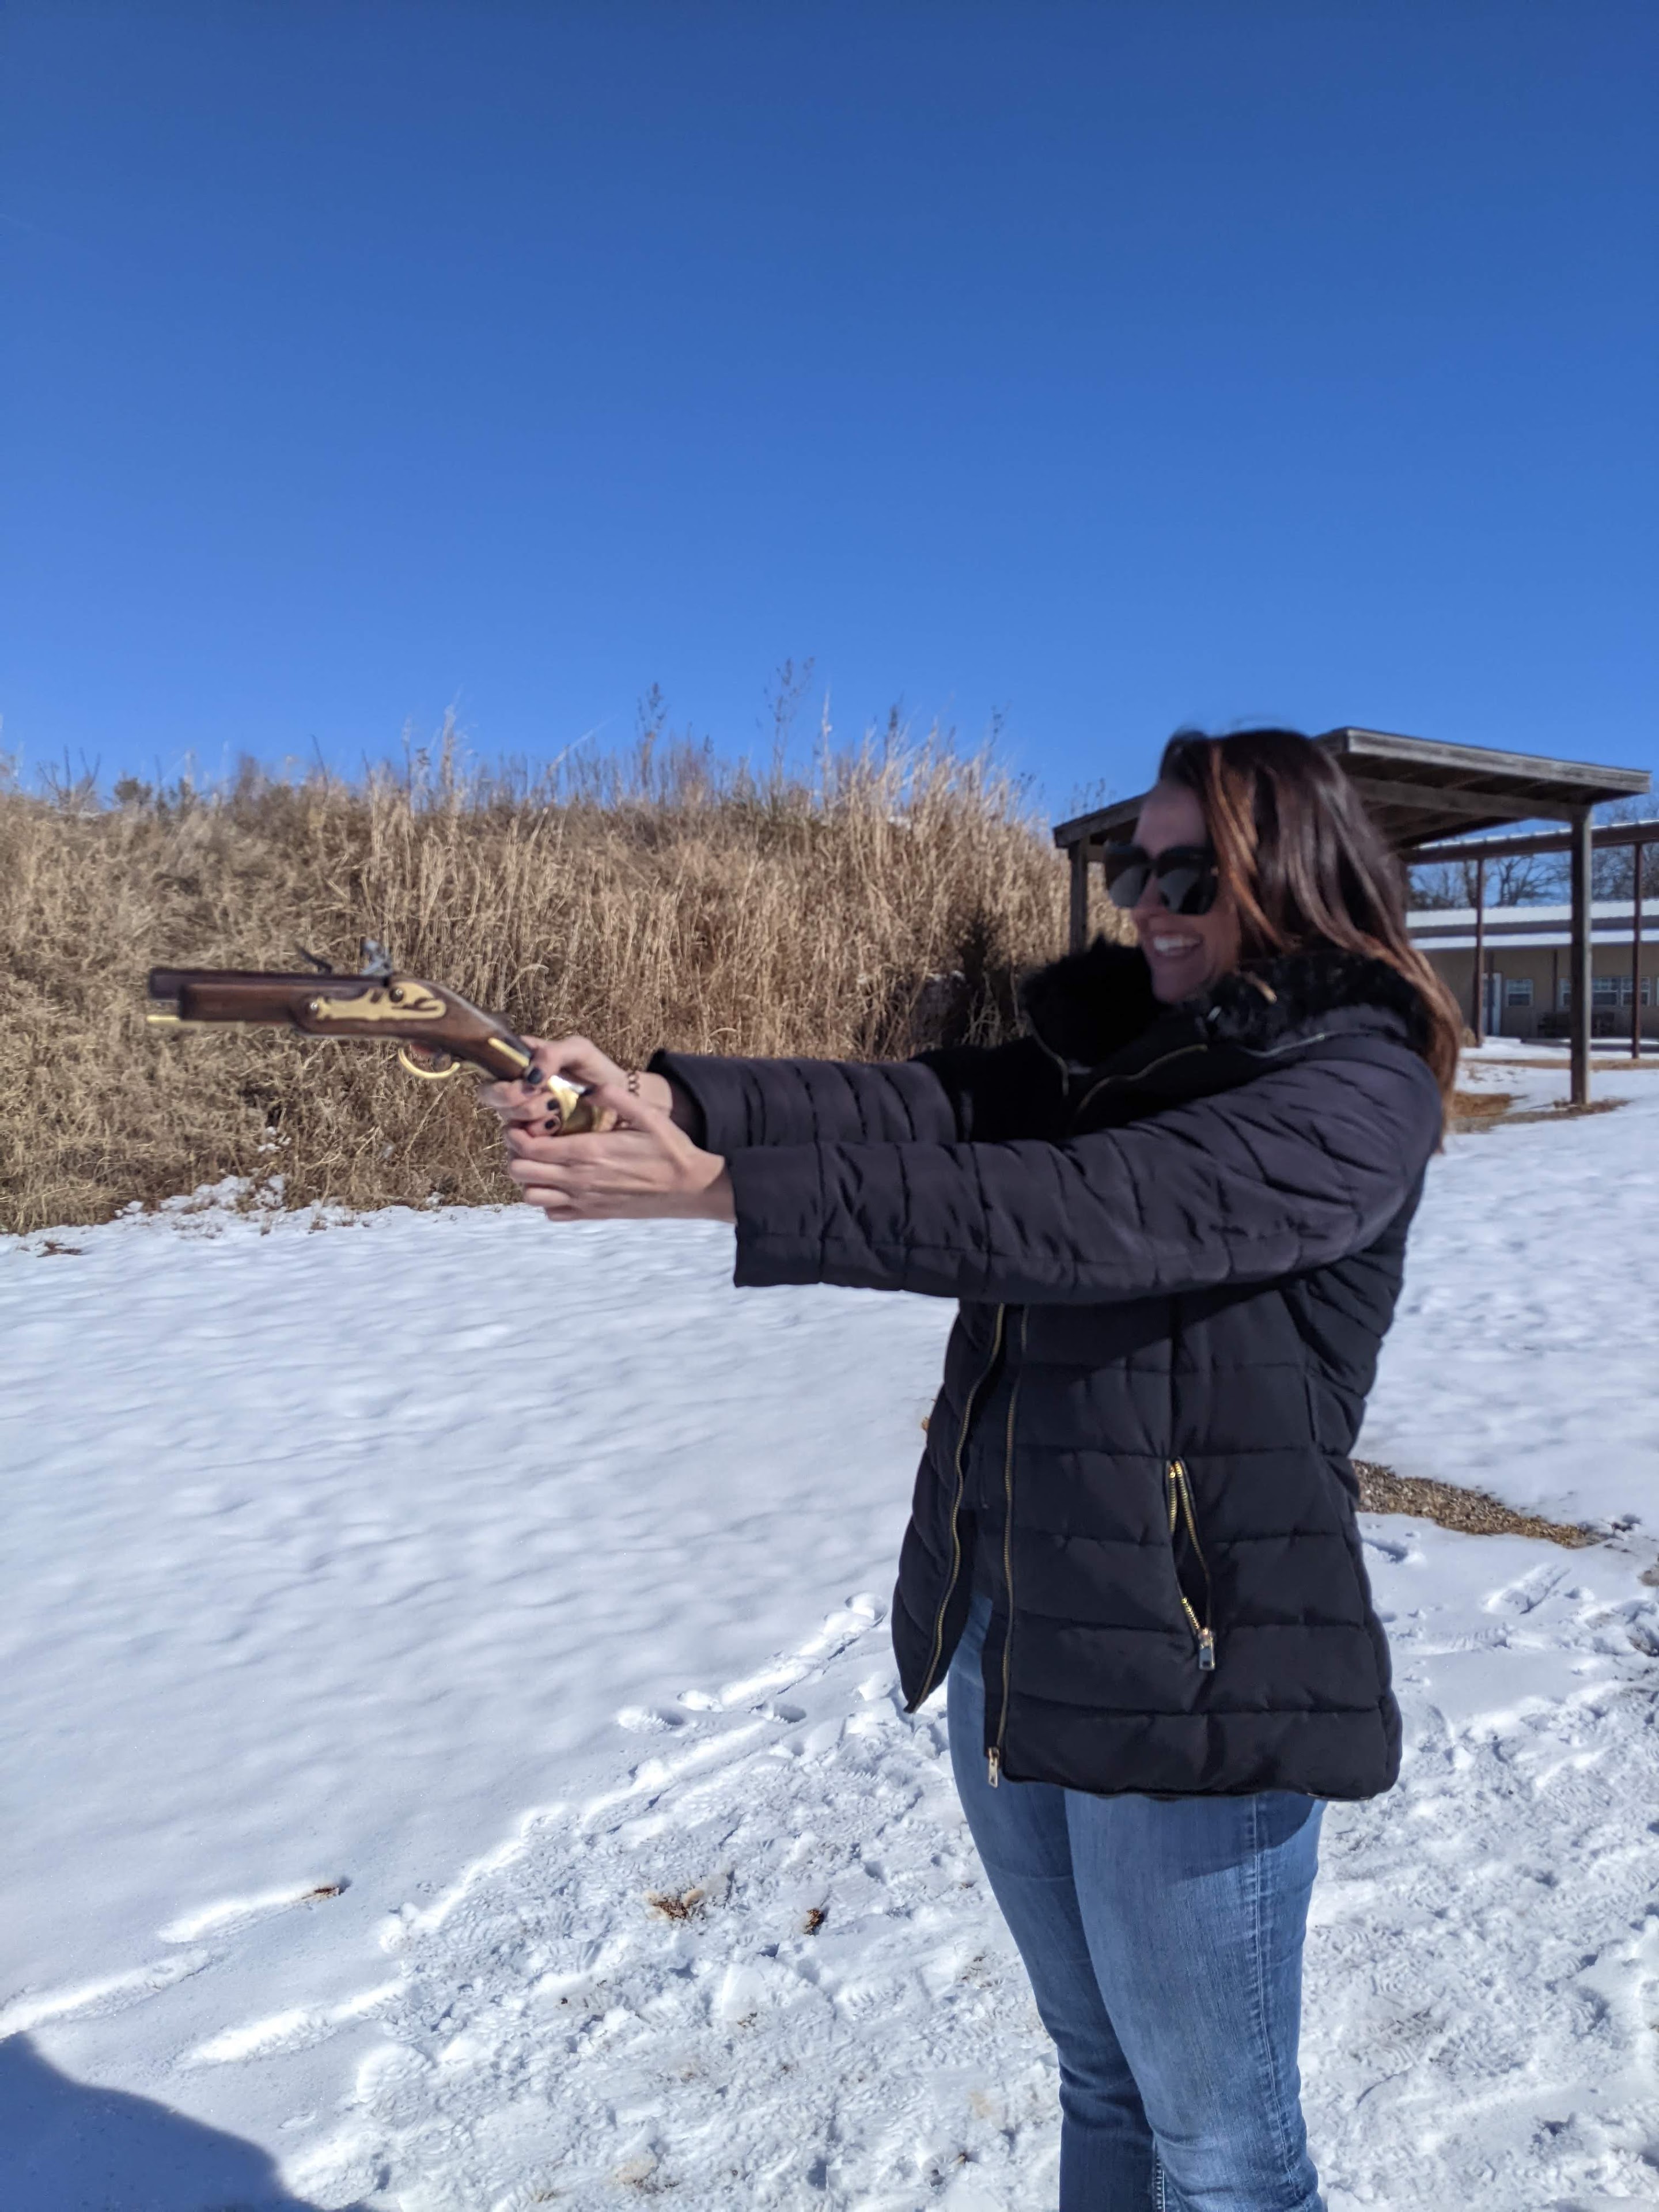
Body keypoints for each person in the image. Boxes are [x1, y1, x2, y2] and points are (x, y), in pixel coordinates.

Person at [483, 727, 1461, 2212]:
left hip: (1200, 1671)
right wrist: (673, 1102)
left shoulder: (1356, 1091)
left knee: (1223, 2155)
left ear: (1299, 880)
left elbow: (1082, 1211)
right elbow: (918, 1107)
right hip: (1019, 1621)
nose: (1148, 904)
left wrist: (728, 1194)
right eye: (1135, 870)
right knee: (1101, 2084)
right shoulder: (1118, 1048)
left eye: (1189, 875)